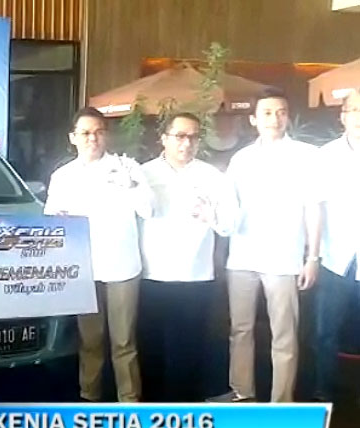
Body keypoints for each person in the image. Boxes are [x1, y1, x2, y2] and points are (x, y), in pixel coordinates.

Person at [210, 89, 322, 403]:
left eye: (281, 112)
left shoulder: (306, 155)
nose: (274, 118)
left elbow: (313, 208)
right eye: (267, 113)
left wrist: (312, 257)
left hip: (284, 258)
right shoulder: (241, 159)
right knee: (240, 329)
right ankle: (241, 391)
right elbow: (228, 207)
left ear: (288, 117)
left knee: (283, 334)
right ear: (253, 119)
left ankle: (281, 401)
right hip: (242, 256)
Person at [44, 107, 153, 403]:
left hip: (122, 268)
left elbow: (148, 210)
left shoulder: (127, 167)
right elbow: (51, 220)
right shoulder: (62, 176)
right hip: (83, 270)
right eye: (85, 133)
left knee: (124, 341)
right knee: (90, 340)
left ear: (106, 135)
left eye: (98, 132)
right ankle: (89, 398)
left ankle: (129, 402)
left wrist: (131, 186)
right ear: (73, 138)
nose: (92, 138)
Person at [138, 113, 238, 402]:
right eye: (180, 136)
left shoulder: (212, 176)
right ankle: (153, 409)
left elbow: (230, 224)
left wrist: (211, 216)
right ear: (164, 138)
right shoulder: (142, 174)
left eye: (193, 137)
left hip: (196, 276)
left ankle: (186, 409)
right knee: (151, 346)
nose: (187, 143)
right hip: (152, 274)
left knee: (191, 347)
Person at [312, 88, 360, 402]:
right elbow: (316, 207)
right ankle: (323, 389)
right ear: (342, 116)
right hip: (336, 256)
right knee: (325, 331)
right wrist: (313, 256)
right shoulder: (327, 155)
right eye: (354, 110)